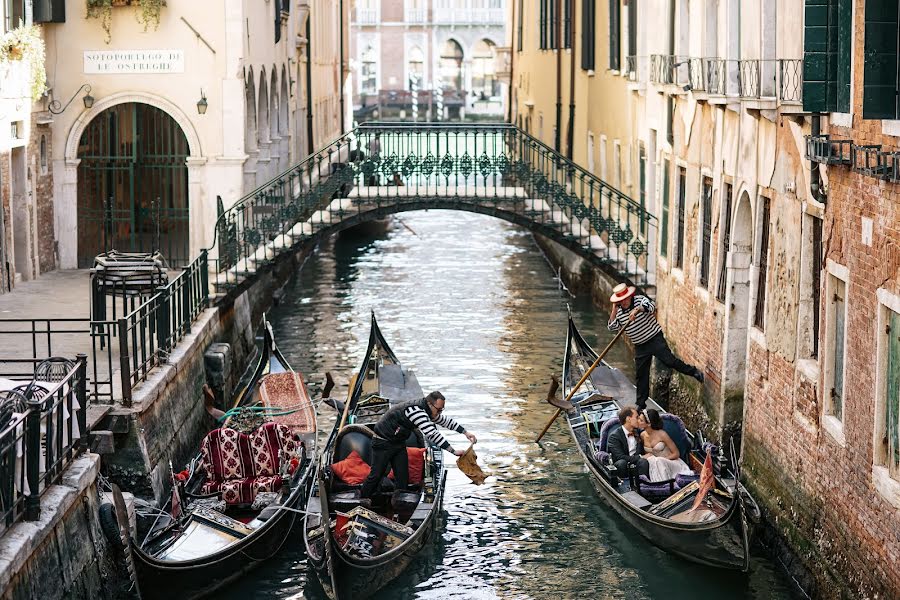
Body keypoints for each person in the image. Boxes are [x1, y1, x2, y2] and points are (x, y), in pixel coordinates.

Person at [360, 391, 476, 500]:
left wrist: (465, 432)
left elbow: (444, 421)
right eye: (439, 409)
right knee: (376, 475)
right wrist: (453, 451)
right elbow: (432, 434)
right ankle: (362, 499)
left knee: (402, 477)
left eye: (442, 409)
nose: (440, 412)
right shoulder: (416, 411)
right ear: (430, 404)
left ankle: (401, 505)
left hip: (398, 442)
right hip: (382, 442)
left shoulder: (429, 409)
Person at [607, 283, 704, 410]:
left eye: (626, 298)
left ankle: (694, 372)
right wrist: (614, 308)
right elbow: (612, 327)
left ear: (630, 296)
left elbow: (652, 307)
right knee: (641, 374)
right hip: (640, 345)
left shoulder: (640, 300)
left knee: (670, 361)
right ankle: (640, 403)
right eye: (621, 300)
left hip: (654, 338)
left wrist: (638, 309)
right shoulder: (619, 313)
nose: (624, 302)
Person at [639, 409, 692, 482]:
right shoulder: (642, 435)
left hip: (672, 463)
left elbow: (676, 454)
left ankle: (664, 484)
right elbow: (648, 455)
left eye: (641, 420)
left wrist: (662, 459)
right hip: (654, 466)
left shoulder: (662, 434)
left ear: (649, 424)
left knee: (659, 461)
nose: (638, 421)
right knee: (654, 460)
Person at [607, 405, 649, 478]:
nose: (638, 419)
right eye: (636, 417)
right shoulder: (614, 437)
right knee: (622, 463)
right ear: (629, 419)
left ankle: (643, 484)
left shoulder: (638, 431)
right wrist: (640, 456)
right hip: (622, 464)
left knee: (643, 462)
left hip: (637, 462)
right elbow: (620, 456)